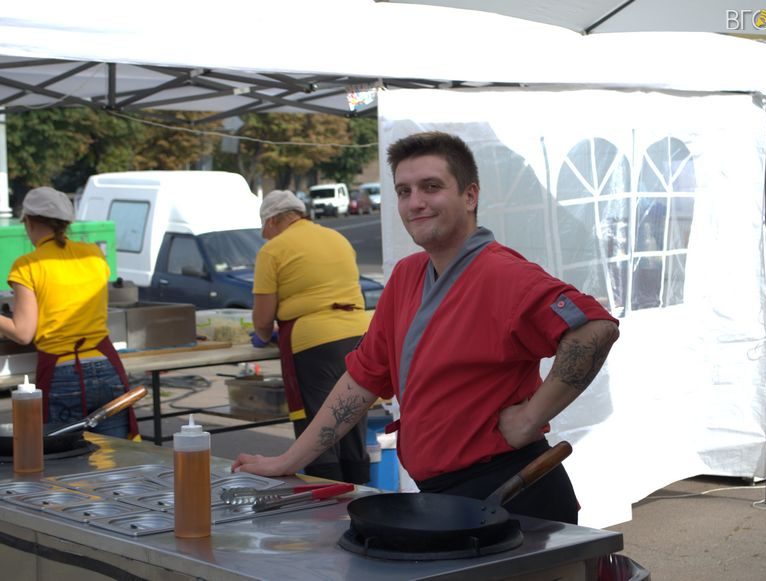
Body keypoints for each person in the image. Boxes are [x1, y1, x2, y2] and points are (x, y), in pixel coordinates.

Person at [235, 133, 619, 524]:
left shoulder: (501, 273)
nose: (415, 202)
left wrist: (529, 418)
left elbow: (593, 328)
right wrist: (288, 460)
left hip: (513, 494)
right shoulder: (407, 276)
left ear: (470, 196)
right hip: (445, 498)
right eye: (404, 191)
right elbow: (361, 381)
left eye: (431, 187)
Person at [249, 189, 371, 484]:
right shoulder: (337, 238)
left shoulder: (273, 250)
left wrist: (263, 336)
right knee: (351, 418)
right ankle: (360, 496)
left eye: (265, 227)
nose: (264, 235)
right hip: (359, 334)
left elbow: (263, 319)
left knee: (318, 428)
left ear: (275, 220)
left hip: (315, 344)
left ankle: (324, 498)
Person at [0, 187, 137, 438]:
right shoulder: (94, 254)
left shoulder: (27, 265)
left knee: (69, 457)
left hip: (63, 374)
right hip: (107, 367)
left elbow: (23, 333)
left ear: (29, 222)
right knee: (116, 454)